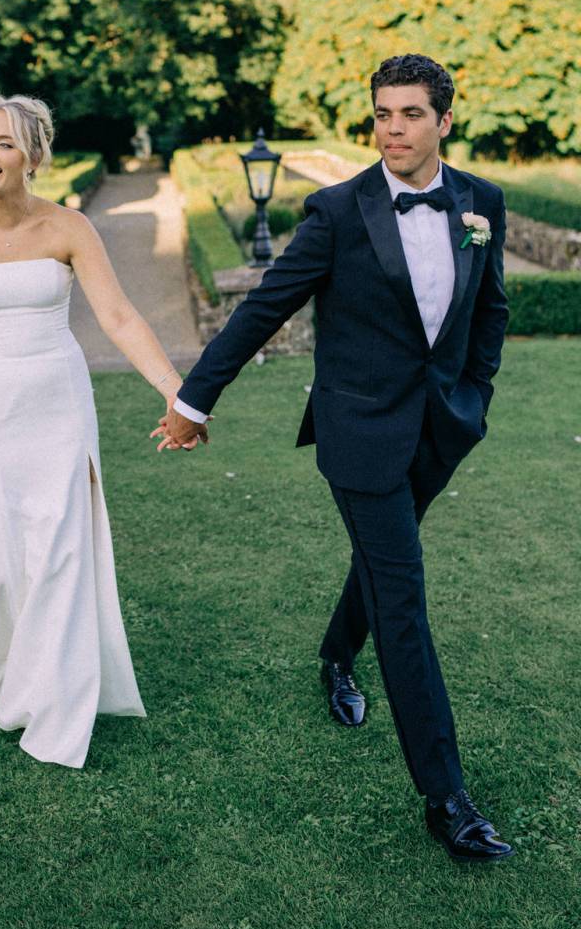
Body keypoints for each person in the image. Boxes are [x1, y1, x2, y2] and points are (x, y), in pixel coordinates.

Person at [156, 54, 514, 863]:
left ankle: (331, 656)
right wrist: (192, 401)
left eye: (411, 113)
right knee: (405, 599)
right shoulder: (338, 210)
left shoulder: (480, 203)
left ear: (444, 120)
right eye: (383, 113)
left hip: (439, 426)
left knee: (385, 566)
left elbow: (489, 310)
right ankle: (447, 797)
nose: (393, 128)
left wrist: (476, 396)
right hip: (358, 434)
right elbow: (264, 308)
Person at [0, 93, 189, 767]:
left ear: (34, 154)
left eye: (3, 143)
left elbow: (118, 317)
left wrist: (177, 392)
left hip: (57, 402)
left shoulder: (70, 228)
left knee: (58, 543)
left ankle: (49, 697)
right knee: (0, 545)